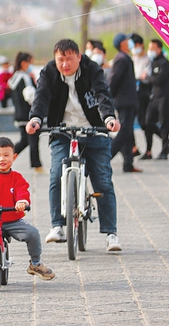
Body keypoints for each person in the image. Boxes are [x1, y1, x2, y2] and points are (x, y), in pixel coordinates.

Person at [26, 39, 122, 252]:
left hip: (95, 129)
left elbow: (102, 94)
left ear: (79, 56)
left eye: (69, 59)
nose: (65, 64)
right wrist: (35, 120)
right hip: (62, 131)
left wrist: (109, 119)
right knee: (55, 176)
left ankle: (111, 233)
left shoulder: (92, 69)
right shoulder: (49, 72)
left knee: (103, 181)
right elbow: (41, 96)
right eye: (60, 59)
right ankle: (58, 226)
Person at [0, 137, 55, 285]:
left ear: (14, 157)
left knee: (32, 233)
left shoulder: (17, 178)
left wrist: (22, 202)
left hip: (12, 219)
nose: (2, 159)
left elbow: (23, 191)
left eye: (6, 155)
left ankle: (35, 263)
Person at [109, 34, 142, 173]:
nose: (130, 42)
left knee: (128, 133)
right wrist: (110, 97)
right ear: (122, 43)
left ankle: (128, 163)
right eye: (127, 40)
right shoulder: (121, 59)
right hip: (124, 101)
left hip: (128, 101)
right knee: (124, 132)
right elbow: (113, 80)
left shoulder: (125, 58)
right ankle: (105, 158)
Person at [140, 39, 169, 160]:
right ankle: (148, 150)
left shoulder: (164, 63)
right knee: (147, 122)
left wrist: (147, 77)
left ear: (159, 49)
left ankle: (165, 149)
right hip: (154, 97)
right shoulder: (152, 62)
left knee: (164, 123)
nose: (150, 51)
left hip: (165, 97)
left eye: (152, 49)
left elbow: (159, 80)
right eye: (149, 48)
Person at [8, 52, 42, 172]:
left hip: (19, 113)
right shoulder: (25, 78)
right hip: (28, 114)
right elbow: (31, 96)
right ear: (24, 63)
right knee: (32, 140)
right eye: (30, 63)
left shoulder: (14, 78)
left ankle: (8, 158)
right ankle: (37, 165)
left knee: (25, 140)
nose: (31, 66)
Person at [130, 33, 150, 154]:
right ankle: (133, 148)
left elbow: (145, 76)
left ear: (141, 45)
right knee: (129, 122)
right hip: (133, 94)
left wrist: (138, 78)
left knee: (144, 122)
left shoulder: (148, 59)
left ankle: (149, 148)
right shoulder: (132, 58)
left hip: (143, 94)